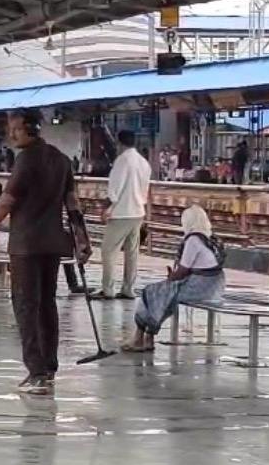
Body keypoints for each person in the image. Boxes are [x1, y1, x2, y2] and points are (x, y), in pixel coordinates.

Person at [0, 109, 90, 396]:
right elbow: (72, 203)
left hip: (26, 246)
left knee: (25, 305)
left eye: (16, 129)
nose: (11, 134)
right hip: (52, 244)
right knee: (47, 305)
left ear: (31, 129)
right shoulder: (61, 160)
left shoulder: (26, 160)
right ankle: (49, 367)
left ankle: (36, 372)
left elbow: (8, 198)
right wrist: (82, 239)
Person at [123, 205, 225, 352]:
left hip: (200, 288)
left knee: (150, 292)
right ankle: (147, 337)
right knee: (163, 296)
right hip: (214, 287)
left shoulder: (194, 240)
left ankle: (140, 337)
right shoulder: (210, 238)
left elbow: (183, 270)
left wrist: (171, 278)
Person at [94, 129, 152, 300]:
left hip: (122, 213)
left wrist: (105, 208)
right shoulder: (143, 162)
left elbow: (115, 190)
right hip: (138, 212)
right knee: (132, 252)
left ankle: (108, 289)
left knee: (108, 250)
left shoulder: (122, 161)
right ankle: (128, 288)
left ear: (119, 143)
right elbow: (145, 189)